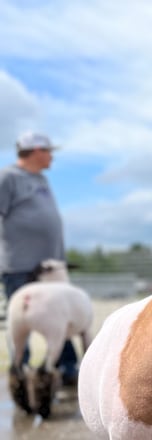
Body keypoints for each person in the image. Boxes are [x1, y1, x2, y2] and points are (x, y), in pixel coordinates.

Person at [0, 131, 79, 385]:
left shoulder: (41, 180)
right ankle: (20, 374)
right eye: (48, 152)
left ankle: (67, 369)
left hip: (51, 269)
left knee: (62, 317)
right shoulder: (8, 178)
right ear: (36, 151)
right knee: (19, 321)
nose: (51, 157)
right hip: (20, 266)